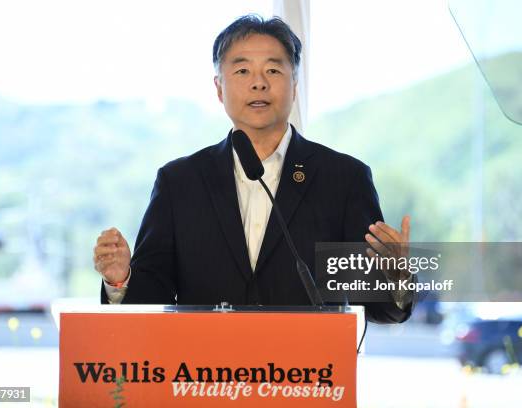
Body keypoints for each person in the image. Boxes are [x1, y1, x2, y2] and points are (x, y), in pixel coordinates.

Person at [93, 15, 413, 323]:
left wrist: (395, 276)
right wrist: (121, 279)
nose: (259, 83)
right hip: (204, 374)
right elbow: (153, 295)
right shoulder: (179, 183)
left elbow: (381, 309)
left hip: (308, 374)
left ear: (295, 84)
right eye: (243, 70)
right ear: (219, 88)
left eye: (273, 70)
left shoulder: (343, 179)